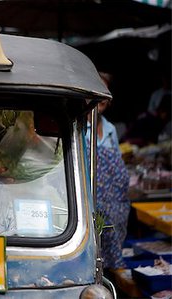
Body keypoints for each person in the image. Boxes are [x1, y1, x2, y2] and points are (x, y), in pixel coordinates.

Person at [86, 74, 130, 270]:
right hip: (89, 203)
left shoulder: (111, 129)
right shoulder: (77, 126)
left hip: (114, 208)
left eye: (106, 92)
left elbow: (117, 167)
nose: (102, 97)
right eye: (98, 90)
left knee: (111, 262)